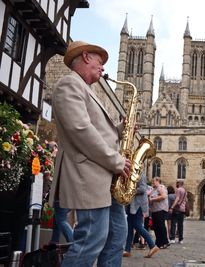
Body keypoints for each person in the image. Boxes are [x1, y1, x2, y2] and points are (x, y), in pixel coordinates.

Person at [49, 41, 132, 267]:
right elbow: (81, 130)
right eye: (100, 61)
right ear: (86, 57)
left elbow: (97, 130)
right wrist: (117, 161)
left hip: (106, 178)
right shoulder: (69, 84)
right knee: (90, 241)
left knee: (116, 238)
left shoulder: (86, 89)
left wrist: (121, 129)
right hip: (91, 176)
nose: (103, 67)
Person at [123, 174, 159, 258]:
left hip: (137, 204)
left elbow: (143, 188)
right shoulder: (133, 172)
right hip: (131, 204)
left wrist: (130, 190)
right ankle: (127, 250)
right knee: (129, 227)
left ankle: (152, 245)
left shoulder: (141, 174)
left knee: (137, 226)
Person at [149, 177, 169, 249]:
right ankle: (158, 242)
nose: (152, 183)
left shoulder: (160, 187)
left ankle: (164, 242)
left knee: (161, 226)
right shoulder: (154, 189)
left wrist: (152, 199)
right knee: (156, 227)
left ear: (158, 181)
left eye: (153, 181)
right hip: (155, 210)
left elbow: (163, 196)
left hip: (160, 209)